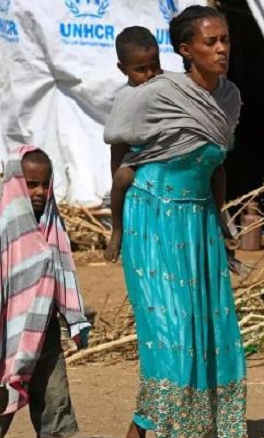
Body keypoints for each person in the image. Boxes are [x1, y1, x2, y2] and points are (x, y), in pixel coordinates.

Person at [103, 6, 248, 438]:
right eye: (210, 41)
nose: (221, 49)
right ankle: (164, 434)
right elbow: (119, 145)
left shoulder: (229, 98)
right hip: (154, 218)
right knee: (172, 334)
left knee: (211, 332)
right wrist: (118, 222)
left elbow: (216, 165)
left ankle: (144, 433)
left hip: (199, 223)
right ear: (185, 50)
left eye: (225, 40)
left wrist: (221, 221)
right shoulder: (156, 94)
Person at [0, 146, 91, 438]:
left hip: (46, 331)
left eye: (45, 184)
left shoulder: (52, 226)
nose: (40, 192)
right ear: (15, 183)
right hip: (8, 333)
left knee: (54, 396)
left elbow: (64, 272)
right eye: (31, 184)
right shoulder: (5, 226)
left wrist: (74, 318)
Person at [105, 26, 163, 263]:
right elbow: (117, 143)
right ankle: (117, 229)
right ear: (123, 69)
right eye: (140, 69)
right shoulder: (125, 98)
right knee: (121, 178)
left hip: (169, 153)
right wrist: (117, 173)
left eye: (154, 66)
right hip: (137, 156)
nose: (150, 74)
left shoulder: (169, 87)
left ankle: (221, 222)